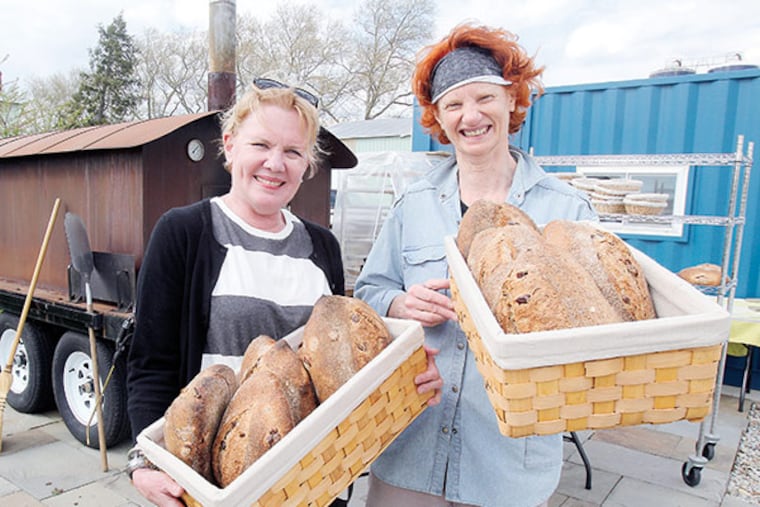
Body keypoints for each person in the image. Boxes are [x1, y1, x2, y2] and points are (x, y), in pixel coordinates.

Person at [125, 79, 442, 507]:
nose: (275, 164)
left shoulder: (322, 246)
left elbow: (336, 371)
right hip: (218, 488)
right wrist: (143, 462)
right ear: (230, 145)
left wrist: (405, 378)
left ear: (308, 163)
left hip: (316, 481)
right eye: (261, 145)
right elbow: (150, 362)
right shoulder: (185, 232)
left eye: (292, 152)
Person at [354, 23, 597, 507]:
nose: (471, 116)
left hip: (508, 465)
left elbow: (598, 329)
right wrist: (401, 302)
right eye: (453, 105)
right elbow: (368, 293)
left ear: (512, 100)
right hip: (410, 450)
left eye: (484, 97)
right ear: (439, 120)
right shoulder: (414, 204)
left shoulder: (568, 211)